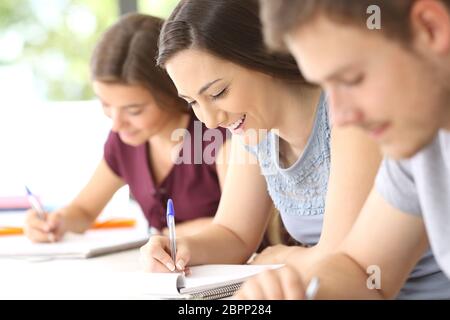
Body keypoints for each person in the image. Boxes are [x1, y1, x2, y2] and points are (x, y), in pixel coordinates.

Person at [138, 0, 439, 297]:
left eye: (218, 92)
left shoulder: (372, 124)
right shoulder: (416, 158)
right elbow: (359, 270)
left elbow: (342, 259)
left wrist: (286, 261)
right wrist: (183, 248)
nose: (210, 121)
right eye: (191, 102)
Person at [235, 0, 450, 299]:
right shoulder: (422, 144)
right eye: (325, 88)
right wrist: (294, 294)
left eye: (351, 80)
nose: (339, 117)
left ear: (431, 27)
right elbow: (362, 270)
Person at [24, 13, 229, 243]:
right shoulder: (124, 141)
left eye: (134, 110)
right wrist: (56, 222)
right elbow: (83, 210)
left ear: (173, 93)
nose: (116, 123)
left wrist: (160, 236)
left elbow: (235, 228)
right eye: (106, 105)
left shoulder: (217, 132)